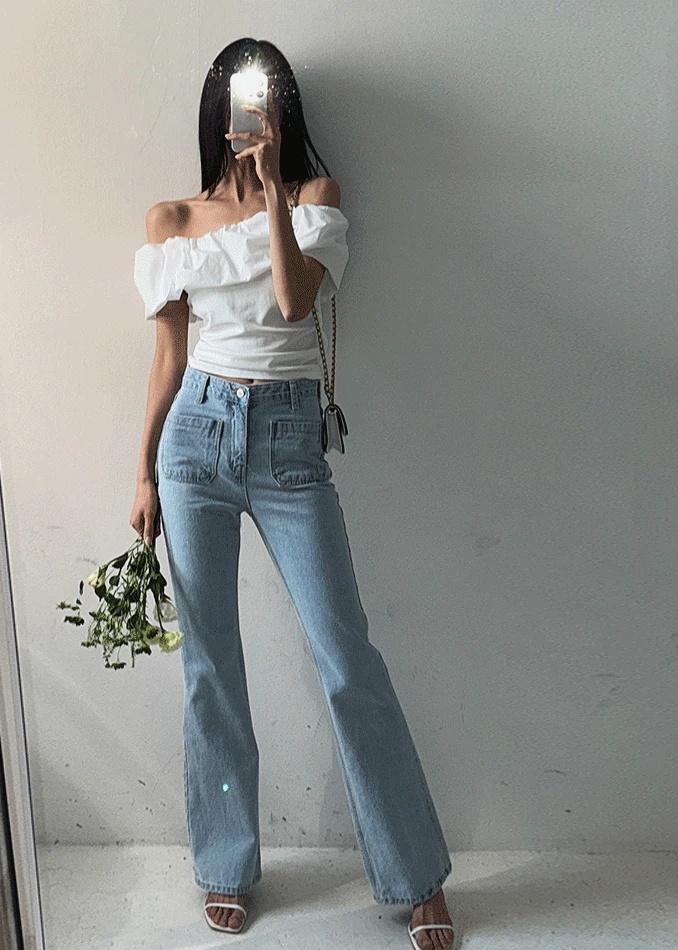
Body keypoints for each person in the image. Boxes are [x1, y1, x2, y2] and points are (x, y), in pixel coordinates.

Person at [130, 38, 457, 950]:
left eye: (267, 96)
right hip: (195, 437)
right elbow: (167, 357)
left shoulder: (315, 197)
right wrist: (143, 469)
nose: (253, 111)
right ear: (218, 108)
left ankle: (415, 877)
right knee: (210, 667)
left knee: (346, 656)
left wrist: (273, 185)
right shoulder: (170, 219)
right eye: (241, 96)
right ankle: (226, 863)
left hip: (286, 439)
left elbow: (292, 303)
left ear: (283, 109)